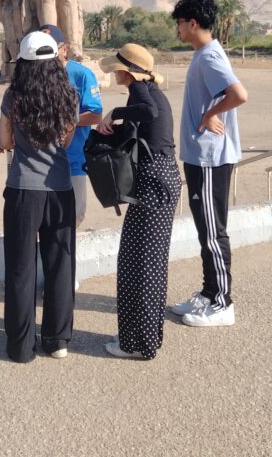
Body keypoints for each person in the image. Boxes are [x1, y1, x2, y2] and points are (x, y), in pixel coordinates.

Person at [96, 43, 181, 360]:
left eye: (117, 68)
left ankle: (138, 343)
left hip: (154, 183)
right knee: (147, 262)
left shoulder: (142, 93)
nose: (115, 72)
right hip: (161, 179)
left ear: (125, 71)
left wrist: (115, 113)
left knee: (139, 263)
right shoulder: (147, 90)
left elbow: (149, 114)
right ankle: (144, 338)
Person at [0, 31, 80, 362]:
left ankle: (21, 347)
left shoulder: (13, 96)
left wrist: (20, 140)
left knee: (21, 267)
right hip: (59, 189)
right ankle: (57, 340)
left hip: (23, 189)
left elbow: (5, 139)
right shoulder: (69, 95)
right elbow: (67, 139)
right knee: (60, 264)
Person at [169, 0, 248, 327]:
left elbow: (239, 94)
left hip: (210, 159)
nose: (177, 29)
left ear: (192, 23)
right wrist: (211, 112)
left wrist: (209, 115)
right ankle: (208, 291)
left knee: (213, 232)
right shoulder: (202, 55)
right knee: (206, 229)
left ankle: (222, 302)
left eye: (179, 23)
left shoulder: (210, 57)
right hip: (201, 157)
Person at [38, 24, 102, 229]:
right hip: (41, 161)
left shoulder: (82, 75)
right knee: (45, 217)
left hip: (74, 160)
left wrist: (67, 121)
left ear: (64, 49)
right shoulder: (35, 76)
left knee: (73, 217)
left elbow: (95, 115)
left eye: (51, 48)